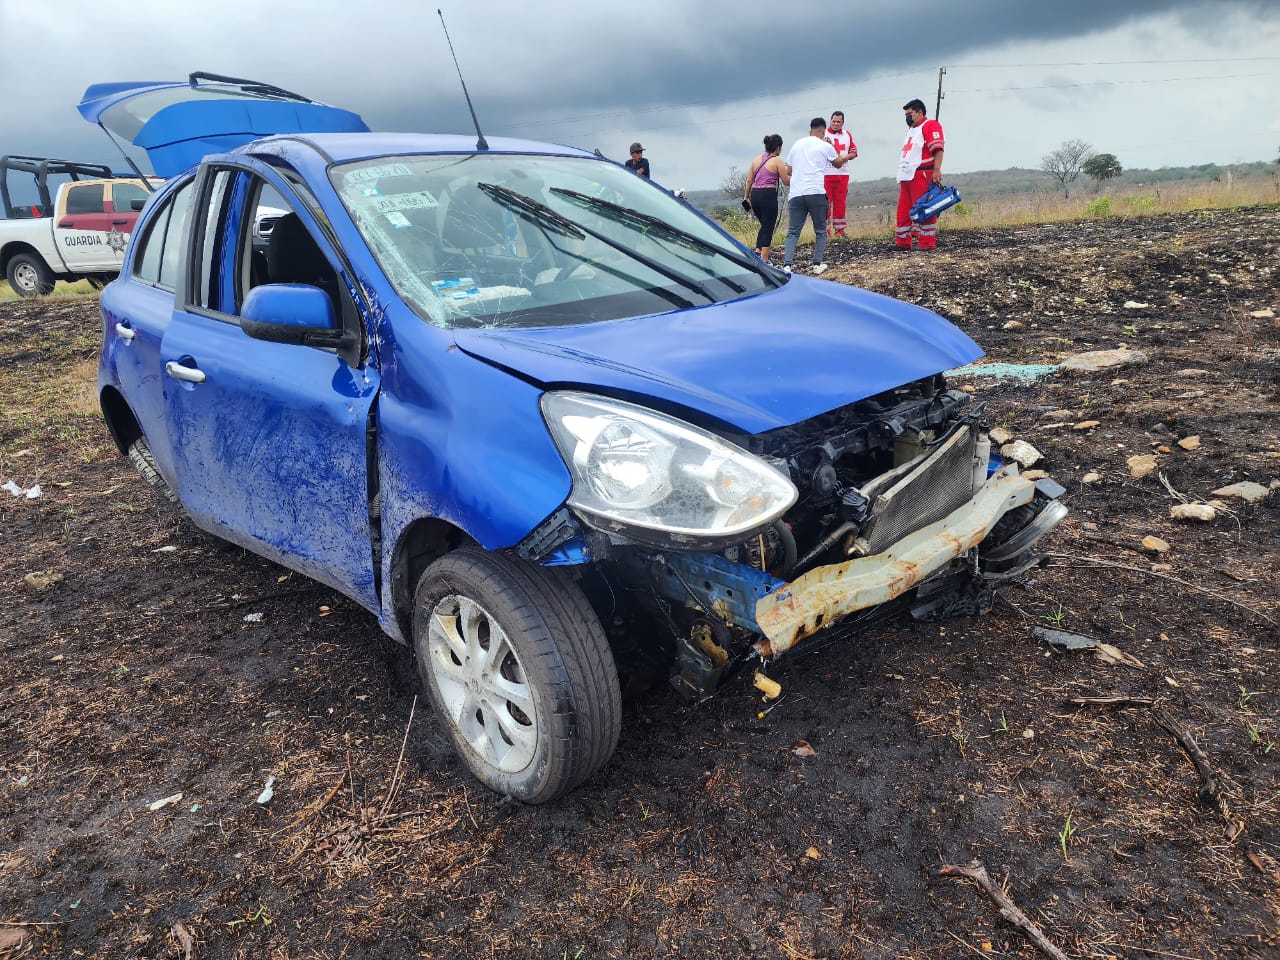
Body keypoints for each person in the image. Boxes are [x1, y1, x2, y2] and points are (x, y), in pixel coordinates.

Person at [782, 117, 848, 274]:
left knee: (793, 231)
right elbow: (838, 163)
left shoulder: (797, 144)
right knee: (820, 230)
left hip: (796, 194)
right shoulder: (825, 145)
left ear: (810, 131)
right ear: (823, 131)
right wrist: (832, 147)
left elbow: (788, 171)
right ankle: (817, 264)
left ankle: (787, 265)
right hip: (816, 193)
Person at [895, 98, 945, 250]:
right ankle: (903, 242)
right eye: (905, 115)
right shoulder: (911, 130)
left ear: (919, 112)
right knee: (903, 211)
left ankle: (927, 242)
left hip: (923, 173)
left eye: (909, 114)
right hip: (907, 175)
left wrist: (936, 170)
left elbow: (938, 149)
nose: (907, 118)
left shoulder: (930, 125)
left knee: (924, 209)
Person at [742, 134, 784, 261]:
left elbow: (749, 181)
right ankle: (764, 260)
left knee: (764, 224)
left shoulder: (756, 160)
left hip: (755, 195)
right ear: (778, 147)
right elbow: (786, 180)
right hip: (768, 195)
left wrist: (746, 197)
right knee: (768, 227)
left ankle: (758, 250)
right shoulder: (777, 161)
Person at [822, 110, 858, 236]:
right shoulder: (823, 134)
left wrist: (844, 158)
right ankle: (825, 231)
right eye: (834, 121)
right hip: (826, 174)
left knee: (840, 203)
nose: (836, 124)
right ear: (830, 121)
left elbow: (854, 152)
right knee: (825, 203)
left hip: (842, 174)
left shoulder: (847, 135)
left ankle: (840, 230)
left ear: (843, 122)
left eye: (839, 122)